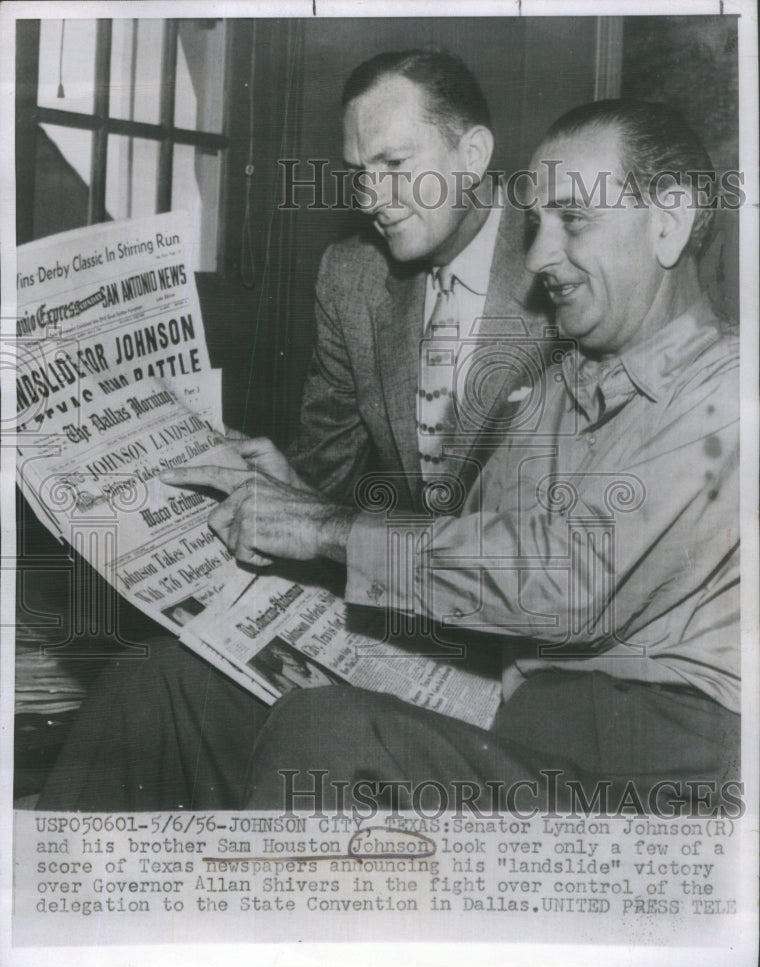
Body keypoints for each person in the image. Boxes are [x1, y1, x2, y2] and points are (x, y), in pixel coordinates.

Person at [159, 99, 741, 814]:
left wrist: (324, 525)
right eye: (533, 223)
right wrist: (299, 504)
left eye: (573, 219)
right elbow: (462, 568)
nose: (536, 257)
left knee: (331, 738)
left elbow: (563, 583)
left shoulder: (730, 390)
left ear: (670, 219)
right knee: (174, 681)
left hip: (657, 776)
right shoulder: (561, 383)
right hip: (520, 731)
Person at [36, 49, 545, 811]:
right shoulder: (355, 276)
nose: (373, 194)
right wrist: (286, 485)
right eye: (358, 170)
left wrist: (326, 523)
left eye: (396, 163)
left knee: (317, 731)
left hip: (528, 644)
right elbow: (329, 487)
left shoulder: (564, 267)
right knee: (151, 677)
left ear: (472, 154)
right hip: (401, 617)